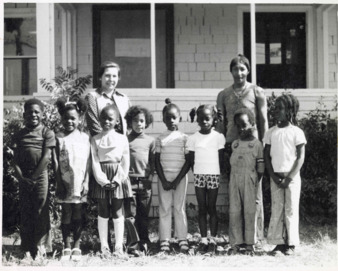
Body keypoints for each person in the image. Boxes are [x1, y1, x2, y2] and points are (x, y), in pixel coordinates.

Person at [216, 54, 268, 243]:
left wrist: (265, 145)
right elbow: (221, 125)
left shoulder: (257, 92)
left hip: (252, 147)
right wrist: (220, 149)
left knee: (254, 194)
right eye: (235, 69)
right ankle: (237, 238)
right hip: (231, 147)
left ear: (248, 70)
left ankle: (255, 237)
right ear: (231, 71)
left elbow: (263, 121)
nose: (239, 73)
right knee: (234, 194)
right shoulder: (223, 94)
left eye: (242, 69)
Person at [12, 98, 55, 262]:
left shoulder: (47, 133)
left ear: (43, 115)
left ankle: (41, 249)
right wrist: (21, 178)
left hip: (40, 176)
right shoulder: (19, 135)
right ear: (24, 115)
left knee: (40, 211)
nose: (33, 114)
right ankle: (27, 249)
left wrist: (33, 178)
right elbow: (14, 160)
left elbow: (46, 157)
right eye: (30, 112)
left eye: (37, 111)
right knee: (26, 211)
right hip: (23, 177)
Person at [263, 93, 306, 256]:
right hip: (276, 177)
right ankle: (278, 243)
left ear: (290, 111)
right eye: (274, 108)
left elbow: (300, 157)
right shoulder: (270, 132)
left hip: (292, 178)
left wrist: (289, 178)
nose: (275, 111)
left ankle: (291, 244)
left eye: (280, 108)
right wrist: (272, 176)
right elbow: (267, 155)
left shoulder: (296, 132)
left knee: (291, 209)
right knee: (277, 209)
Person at [90, 104, 132, 258]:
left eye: (110, 119)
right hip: (101, 176)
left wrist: (117, 179)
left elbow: (125, 160)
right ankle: (104, 246)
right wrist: (102, 179)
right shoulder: (95, 139)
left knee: (117, 210)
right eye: (104, 118)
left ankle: (119, 246)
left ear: (116, 121)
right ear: (99, 120)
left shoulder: (122, 139)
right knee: (103, 210)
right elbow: (94, 160)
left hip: (117, 176)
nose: (107, 121)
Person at [184, 105, 225, 255]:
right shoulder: (193, 138)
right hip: (199, 176)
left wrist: (215, 172)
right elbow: (192, 159)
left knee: (211, 207)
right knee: (202, 208)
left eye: (208, 118)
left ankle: (213, 239)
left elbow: (220, 158)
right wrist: (198, 173)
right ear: (197, 119)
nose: (205, 121)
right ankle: (203, 240)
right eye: (201, 119)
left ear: (213, 119)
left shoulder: (218, 137)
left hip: (213, 175)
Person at [54, 97, 91, 261]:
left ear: (80, 118)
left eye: (73, 118)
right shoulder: (59, 137)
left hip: (80, 182)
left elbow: (88, 161)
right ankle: (66, 246)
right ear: (61, 118)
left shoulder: (85, 137)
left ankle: (77, 245)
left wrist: (86, 182)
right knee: (66, 212)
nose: (69, 121)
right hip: (64, 182)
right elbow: (55, 162)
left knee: (78, 212)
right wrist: (59, 182)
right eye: (66, 118)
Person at [228, 108, 265, 256]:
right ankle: (236, 242)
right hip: (235, 180)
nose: (241, 128)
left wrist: (256, 183)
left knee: (251, 211)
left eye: (244, 124)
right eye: (238, 125)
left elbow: (260, 168)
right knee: (235, 211)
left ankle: (252, 243)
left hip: (251, 180)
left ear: (252, 124)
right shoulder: (235, 144)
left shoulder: (256, 145)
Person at [155, 98, 189, 253]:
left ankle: (182, 238)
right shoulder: (160, 139)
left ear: (180, 118)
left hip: (180, 178)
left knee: (179, 208)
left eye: (174, 117)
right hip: (164, 178)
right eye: (167, 117)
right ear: (163, 119)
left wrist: (176, 180)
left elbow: (188, 162)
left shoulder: (184, 138)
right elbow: (156, 161)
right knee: (165, 208)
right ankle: (165, 240)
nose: (171, 120)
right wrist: (163, 180)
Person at [124, 105, 156, 256]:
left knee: (143, 215)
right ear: (130, 122)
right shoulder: (125, 140)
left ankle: (144, 241)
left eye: (142, 121)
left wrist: (149, 178)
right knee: (130, 215)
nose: (139, 124)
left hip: (145, 182)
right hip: (129, 182)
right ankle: (132, 244)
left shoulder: (150, 141)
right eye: (135, 121)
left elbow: (153, 162)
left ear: (146, 122)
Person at [86, 61, 131, 136]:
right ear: (100, 77)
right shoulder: (92, 97)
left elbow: (130, 124)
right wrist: (109, 142)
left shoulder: (124, 98)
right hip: (101, 144)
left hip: (122, 144)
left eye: (114, 76)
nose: (111, 79)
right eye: (107, 76)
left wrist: (124, 141)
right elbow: (94, 126)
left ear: (118, 78)